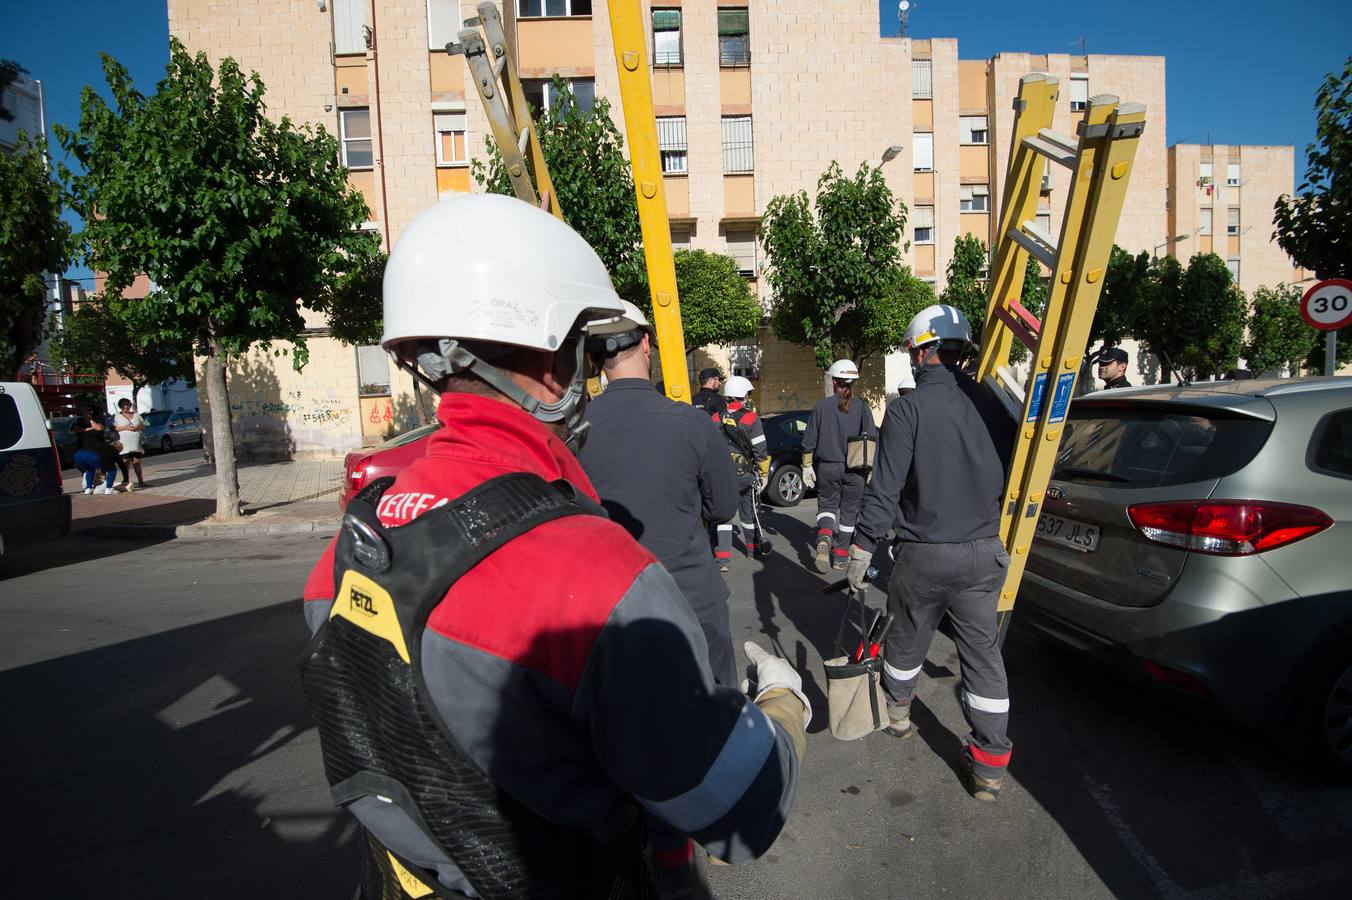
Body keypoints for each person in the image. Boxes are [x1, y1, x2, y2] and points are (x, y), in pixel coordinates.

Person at [299, 194, 808, 899]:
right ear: (548, 365)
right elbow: (742, 811)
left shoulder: (349, 547)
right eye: (578, 348)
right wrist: (782, 704)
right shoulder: (596, 577)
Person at [846, 304, 1016, 802]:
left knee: (908, 637)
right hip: (986, 553)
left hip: (926, 555)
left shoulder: (908, 409)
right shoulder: (994, 403)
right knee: (982, 654)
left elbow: (886, 488)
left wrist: (861, 545)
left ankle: (898, 713)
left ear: (922, 351)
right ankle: (990, 763)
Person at [577, 301, 741, 687]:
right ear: (646, 342)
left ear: (596, 357)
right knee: (719, 728)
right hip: (693, 600)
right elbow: (724, 507)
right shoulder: (693, 423)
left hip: (614, 612)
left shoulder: (574, 432)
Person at [802, 359, 878, 573]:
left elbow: (809, 441)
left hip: (827, 467)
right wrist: (870, 469)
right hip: (856, 470)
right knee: (849, 513)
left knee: (827, 506)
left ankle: (824, 538)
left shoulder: (821, 406)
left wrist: (807, 466)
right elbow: (871, 439)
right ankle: (841, 556)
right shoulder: (863, 407)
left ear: (835, 382)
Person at [714, 375, 769, 569]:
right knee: (747, 514)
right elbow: (760, 450)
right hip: (744, 475)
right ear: (743, 396)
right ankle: (751, 550)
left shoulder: (715, 417)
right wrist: (764, 474)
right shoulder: (751, 418)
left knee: (724, 517)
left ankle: (722, 559)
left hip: (721, 475)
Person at [71, 404, 119, 495]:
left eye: (90, 410)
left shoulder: (97, 419)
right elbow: (78, 430)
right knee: (111, 468)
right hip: (88, 450)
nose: (88, 413)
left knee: (90, 469)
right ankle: (108, 488)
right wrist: (89, 428)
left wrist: (91, 421)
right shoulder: (79, 421)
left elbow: (100, 428)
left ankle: (89, 488)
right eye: (86, 411)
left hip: (96, 449)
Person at [113, 398, 149, 490]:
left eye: (127, 404)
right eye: (123, 405)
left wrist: (137, 427)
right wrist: (126, 427)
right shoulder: (117, 416)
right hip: (124, 443)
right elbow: (115, 428)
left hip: (135, 443)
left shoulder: (136, 415)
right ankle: (126, 481)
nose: (126, 406)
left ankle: (141, 481)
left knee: (136, 462)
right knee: (126, 462)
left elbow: (144, 425)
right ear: (120, 407)